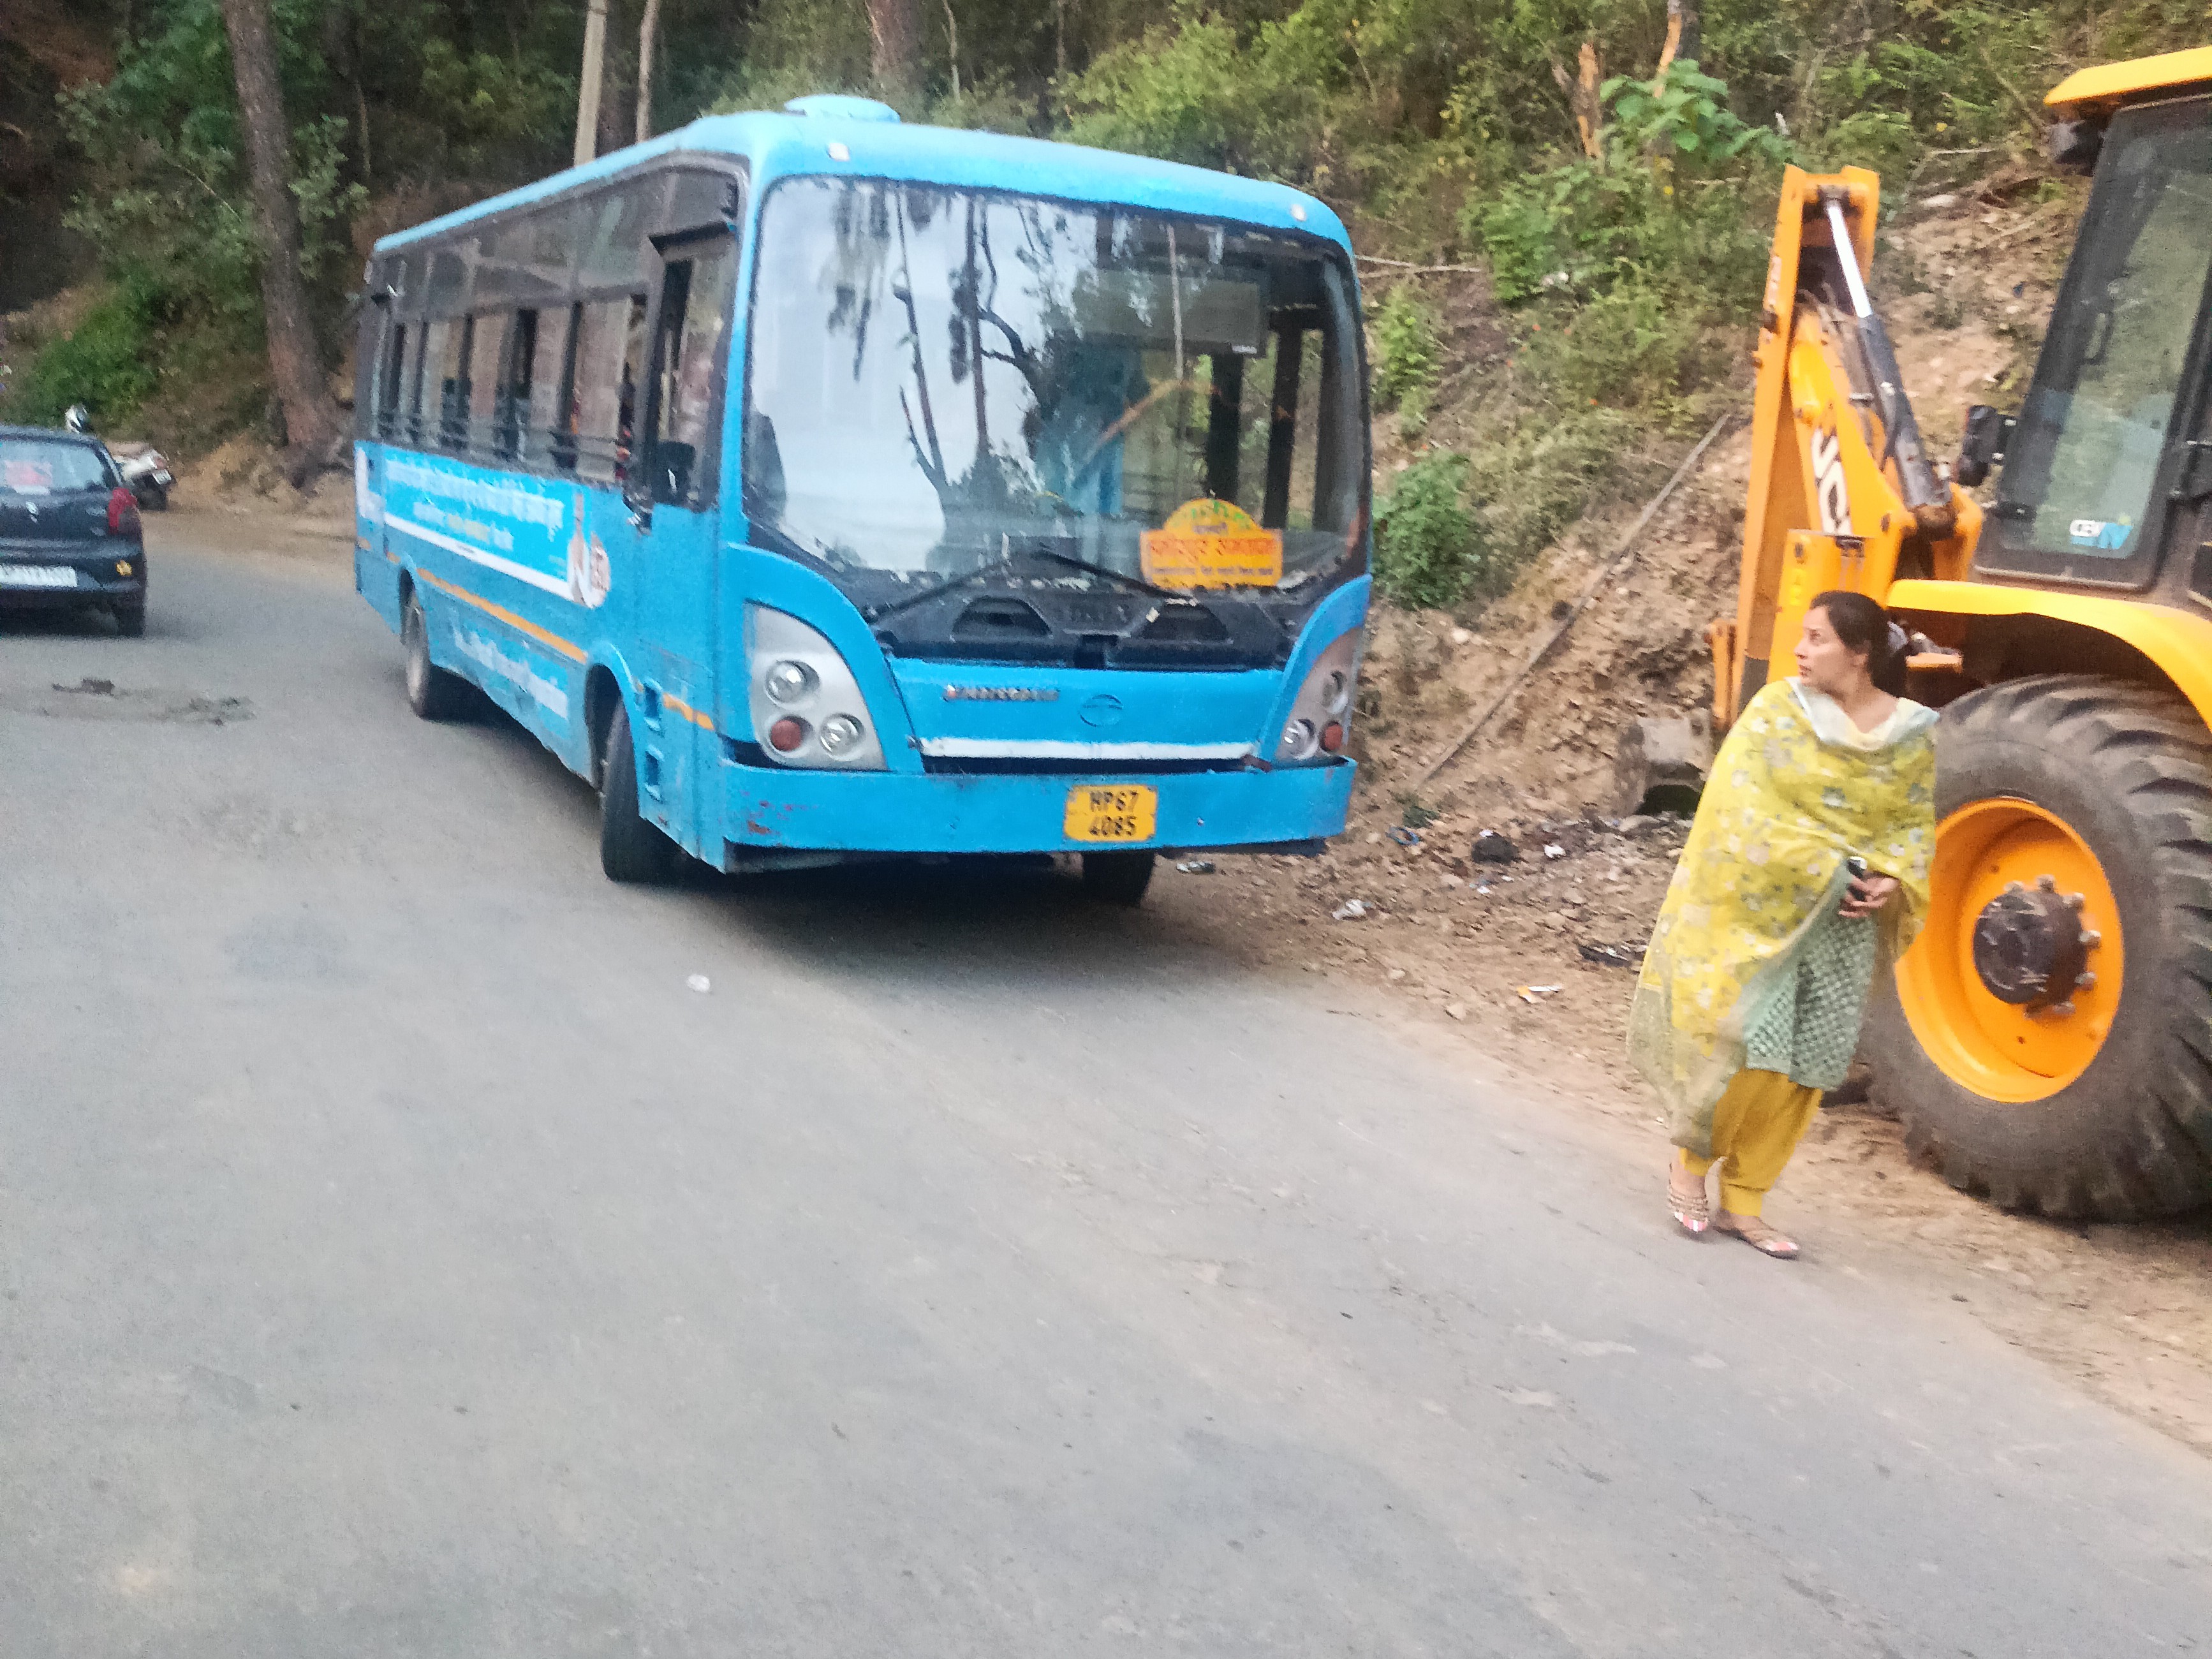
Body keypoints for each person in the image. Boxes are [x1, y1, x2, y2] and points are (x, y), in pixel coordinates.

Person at [1628, 592, 1937, 1258]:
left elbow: (1912, 826)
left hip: (1846, 924)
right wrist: (1827, 865)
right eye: (1802, 636)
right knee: (1749, 1052)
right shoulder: (1777, 713)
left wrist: (1893, 879)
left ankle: (1746, 1201)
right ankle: (1690, 1165)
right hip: (1768, 913)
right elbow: (1739, 812)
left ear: (1858, 655)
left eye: (1816, 639)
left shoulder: (1912, 734)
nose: (1799, 650)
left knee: (1807, 1070)